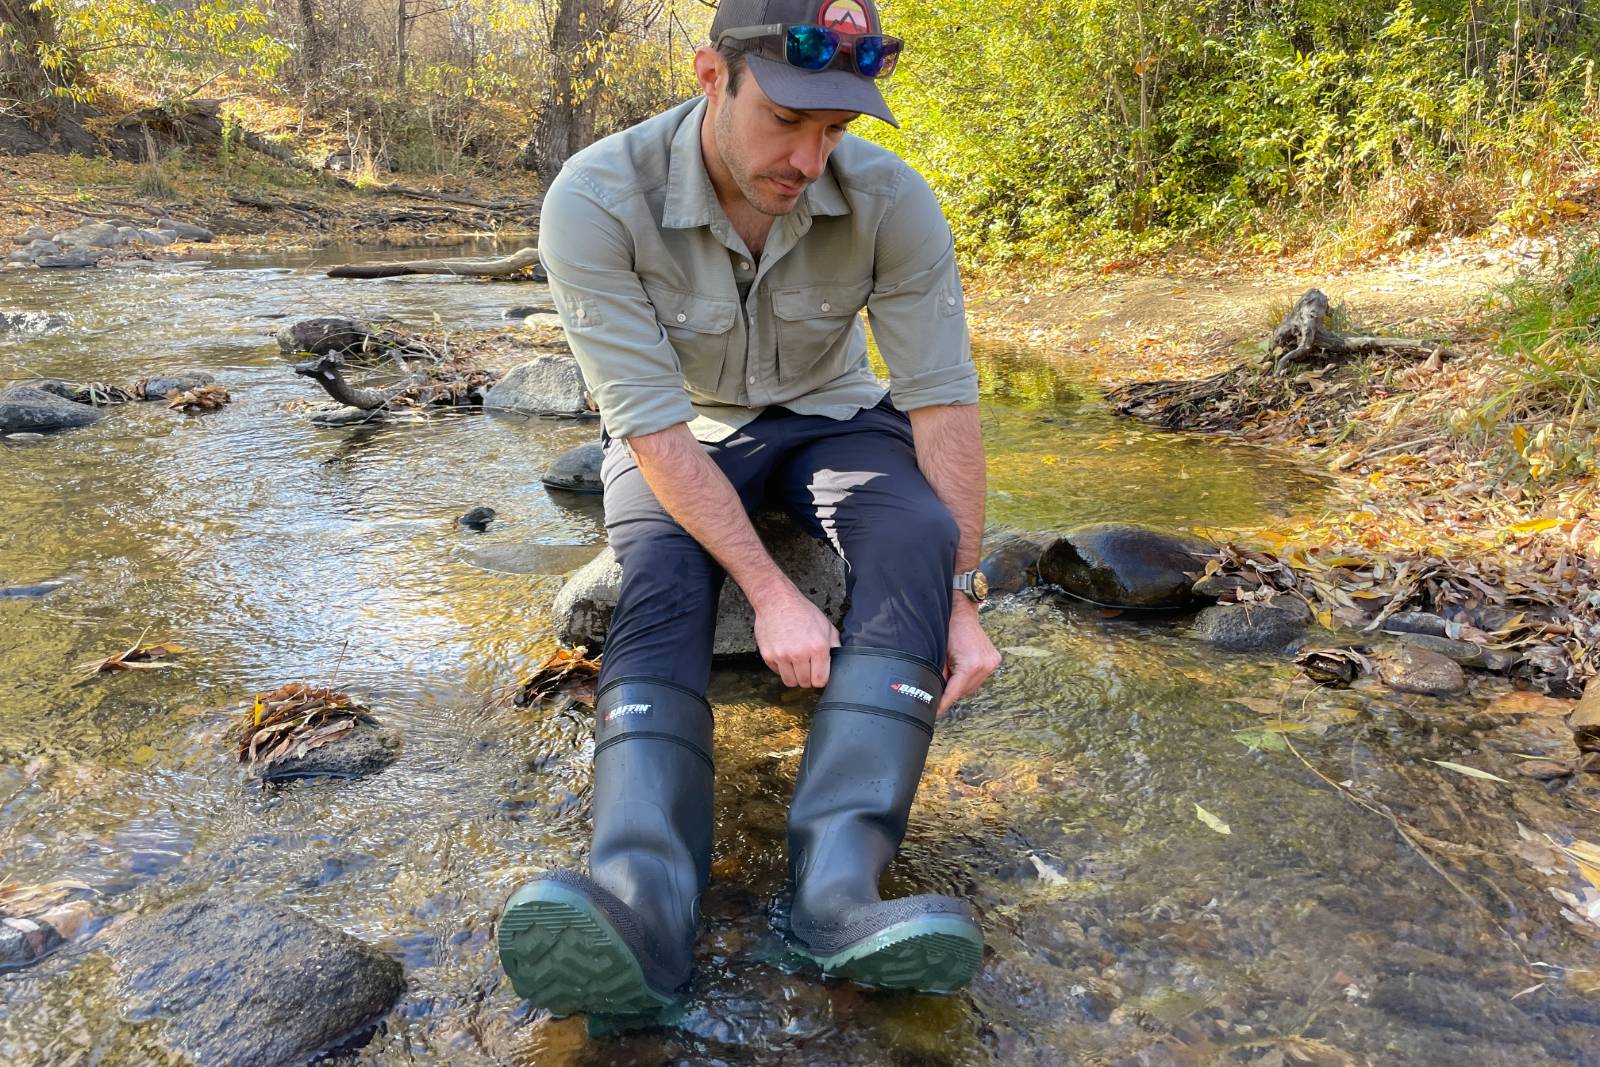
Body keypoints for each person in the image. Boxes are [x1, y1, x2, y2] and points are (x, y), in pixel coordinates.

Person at [496, 0, 1001, 1018]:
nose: (809, 156)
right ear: (709, 76)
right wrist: (771, 591)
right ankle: (643, 903)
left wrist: (960, 593)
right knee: (658, 575)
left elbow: (942, 404)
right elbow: (649, 428)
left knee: (912, 534)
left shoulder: (892, 200)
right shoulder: (597, 195)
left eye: (836, 129)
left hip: (833, 417)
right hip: (682, 431)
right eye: (786, 119)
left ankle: (836, 896)